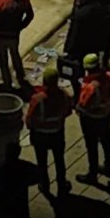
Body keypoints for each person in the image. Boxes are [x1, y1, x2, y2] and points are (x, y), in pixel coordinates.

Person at [25, 68, 74, 196]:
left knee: (42, 162)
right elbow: (68, 112)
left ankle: (44, 185)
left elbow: (29, 120)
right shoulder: (64, 96)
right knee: (59, 160)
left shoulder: (38, 99)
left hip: (40, 136)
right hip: (57, 134)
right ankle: (61, 184)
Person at [77, 52, 110, 184]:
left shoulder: (90, 87)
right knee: (106, 140)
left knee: (92, 146)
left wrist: (78, 109)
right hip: (106, 115)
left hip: (91, 119)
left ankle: (92, 173)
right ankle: (108, 166)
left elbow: (82, 105)